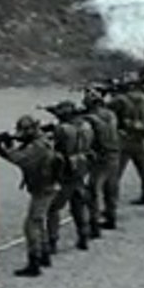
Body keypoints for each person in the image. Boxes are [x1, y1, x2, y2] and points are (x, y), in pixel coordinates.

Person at [0, 115, 60, 277]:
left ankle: (34, 262)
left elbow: (20, 158)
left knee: (31, 225)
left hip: (43, 188)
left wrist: (1, 149)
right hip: (47, 185)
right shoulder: (42, 140)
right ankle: (44, 255)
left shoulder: (38, 146)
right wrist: (9, 145)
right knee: (39, 221)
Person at [110, 80, 144, 218]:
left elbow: (111, 118)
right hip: (141, 140)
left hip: (124, 140)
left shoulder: (119, 100)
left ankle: (111, 208)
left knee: (114, 177)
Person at [44, 101, 92, 253]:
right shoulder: (86, 126)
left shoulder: (62, 129)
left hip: (65, 172)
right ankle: (83, 235)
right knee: (78, 205)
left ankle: (52, 241)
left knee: (53, 208)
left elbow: (55, 149)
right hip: (81, 167)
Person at [80, 90, 121, 235]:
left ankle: (94, 224)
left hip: (100, 157)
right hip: (115, 153)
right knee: (111, 188)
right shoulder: (111, 114)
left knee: (93, 190)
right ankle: (112, 217)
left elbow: (86, 138)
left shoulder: (89, 119)